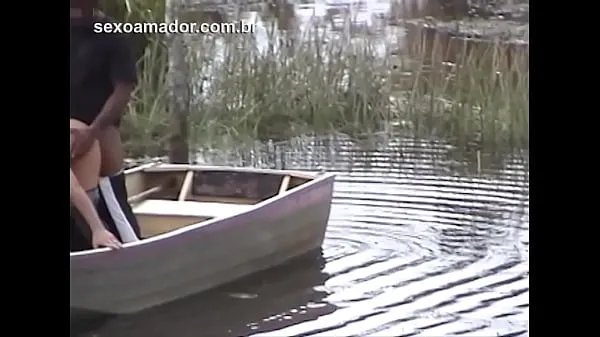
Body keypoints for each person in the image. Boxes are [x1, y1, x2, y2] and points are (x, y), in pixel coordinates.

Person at [70, 0, 141, 243]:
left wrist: (94, 131)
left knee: (111, 199)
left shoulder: (111, 35)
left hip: (98, 127)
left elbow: (123, 87)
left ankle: (134, 249)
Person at [70, 119, 122, 250]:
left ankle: (106, 240)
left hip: (83, 147)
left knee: (85, 222)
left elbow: (74, 189)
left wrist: (98, 229)